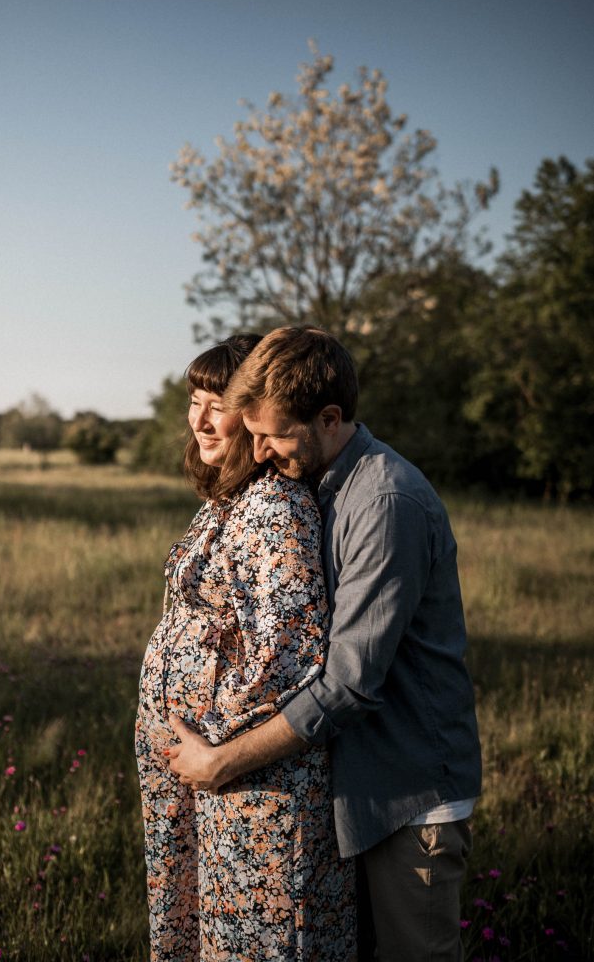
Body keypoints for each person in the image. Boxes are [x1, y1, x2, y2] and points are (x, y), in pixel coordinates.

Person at [167, 326, 482, 962]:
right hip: (357, 785)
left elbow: (349, 684)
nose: (256, 452)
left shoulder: (384, 501)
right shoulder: (327, 479)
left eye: (272, 435)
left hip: (408, 792)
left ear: (331, 417)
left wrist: (221, 764)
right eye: (249, 431)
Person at [135, 334, 356, 962]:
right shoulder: (225, 501)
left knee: (255, 943)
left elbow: (286, 653)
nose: (201, 418)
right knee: (199, 931)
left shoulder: (274, 506)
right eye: (194, 400)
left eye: (218, 403)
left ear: (254, 409)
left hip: (248, 777)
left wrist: (215, 748)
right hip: (200, 769)